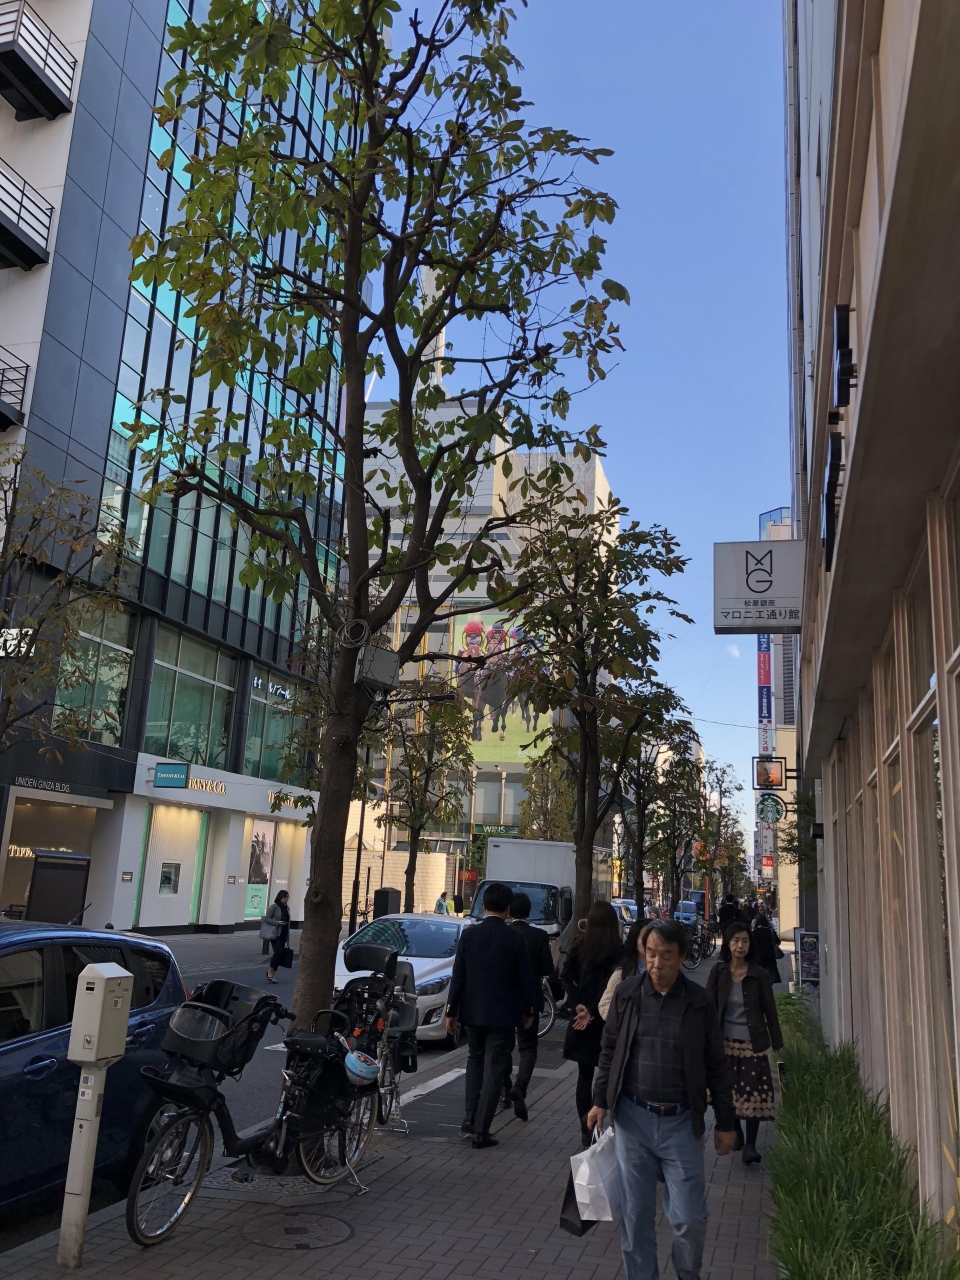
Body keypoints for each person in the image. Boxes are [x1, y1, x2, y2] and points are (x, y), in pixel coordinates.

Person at [588, 919, 736, 1280]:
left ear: (682, 956)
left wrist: (726, 1122)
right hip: (633, 1119)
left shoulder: (699, 1002)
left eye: (666, 955)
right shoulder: (627, 995)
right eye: (650, 954)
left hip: (682, 1122)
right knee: (636, 1218)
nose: (656, 964)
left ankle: (687, 1273)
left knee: (689, 1218)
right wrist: (600, 1100)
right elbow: (609, 1051)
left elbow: (716, 1064)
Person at [445, 882, 538, 1149]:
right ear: (508, 909)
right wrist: (529, 1010)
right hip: (503, 1015)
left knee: (474, 1060)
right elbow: (525, 979)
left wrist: (452, 1011)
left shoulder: (469, 935)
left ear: (484, 906)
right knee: (494, 1069)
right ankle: (482, 1131)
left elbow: (458, 975)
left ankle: (470, 1117)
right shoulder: (515, 938)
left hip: (473, 1012)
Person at [705, 922, 783, 1165]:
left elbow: (770, 1009)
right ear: (728, 944)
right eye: (736, 940)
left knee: (753, 1094)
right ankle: (736, 1131)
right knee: (729, 1093)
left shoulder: (759, 974)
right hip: (724, 1043)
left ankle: (750, 1145)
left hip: (752, 1044)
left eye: (745, 941)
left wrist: (777, 1041)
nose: (740, 945)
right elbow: (707, 1006)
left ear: (750, 945)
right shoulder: (719, 971)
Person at [561, 900, 623, 1147]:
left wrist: (578, 1004)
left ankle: (585, 1128)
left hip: (581, 1019)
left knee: (584, 1076)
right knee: (607, 1073)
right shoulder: (618, 951)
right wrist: (593, 1009)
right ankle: (603, 1121)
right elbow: (613, 986)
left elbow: (566, 977)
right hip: (605, 1020)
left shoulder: (579, 946)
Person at [500, 890, 558, 1120]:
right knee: (528, 1048)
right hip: (530, 999)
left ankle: (505, 1088)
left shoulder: (503, 934)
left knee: (503, 1046)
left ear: (509, 911)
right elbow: (548, 969)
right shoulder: (539, 936)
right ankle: (520, 1087)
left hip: (504, 999)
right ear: (529, 911)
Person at [598, 919, 646, 1022]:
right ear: (635, 941)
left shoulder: (669, 970)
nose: (650, 943)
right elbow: (604, 1005)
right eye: (645, 938)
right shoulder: (623, 973)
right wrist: (626, 1021)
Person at [751, 908, 783, 985]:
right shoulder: (770, 931)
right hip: (770, 957)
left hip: (758, 958)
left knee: (758, 977)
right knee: (769, 978)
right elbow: (778, 941)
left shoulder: (754, 932)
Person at [264, 890, 290, 983]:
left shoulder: (287, 908)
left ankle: (273, 974)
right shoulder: (274, 907)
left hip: (283, 933)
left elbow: (288, 923)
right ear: (280, 897)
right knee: (278, 952)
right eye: (285, 897)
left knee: (280, 954)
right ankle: (270, 971)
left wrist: (288, 937)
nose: (286, 899)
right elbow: (266, 919)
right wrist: (277, 923)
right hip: (275, 933)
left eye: (287, 897)